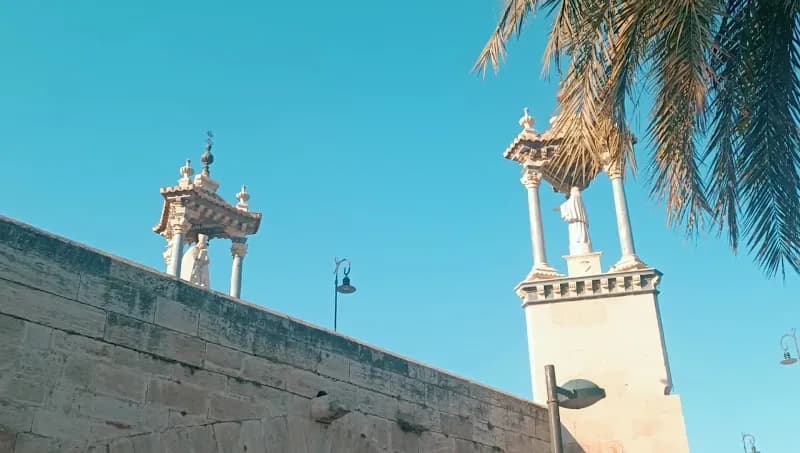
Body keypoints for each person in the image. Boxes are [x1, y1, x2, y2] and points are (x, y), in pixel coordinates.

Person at [559, 186, 593, 255]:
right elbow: (566, 216)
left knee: (582, 237)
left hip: (581, 224)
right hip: (574, 224)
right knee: (577, 238)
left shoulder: (579, 203)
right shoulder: (568, 203)